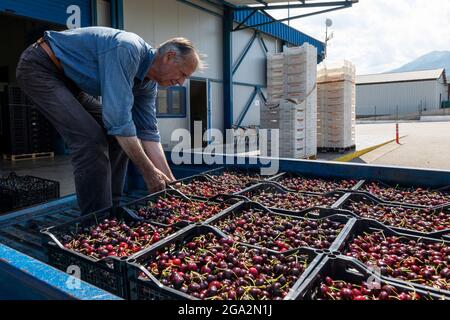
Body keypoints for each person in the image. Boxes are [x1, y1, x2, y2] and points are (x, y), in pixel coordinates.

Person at [16, 26, 204, 215]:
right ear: (169, 57)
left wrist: (171, 181)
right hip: (41, 67)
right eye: (182, 74)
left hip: (69, 82)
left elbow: (148, 133)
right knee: (90, 140)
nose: (181, 82)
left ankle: (112, 209)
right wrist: (149, 172)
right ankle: (96, 220)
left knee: (117, 139)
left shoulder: (148, 84)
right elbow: (120, 122)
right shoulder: (127, 49)